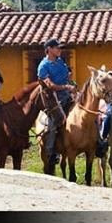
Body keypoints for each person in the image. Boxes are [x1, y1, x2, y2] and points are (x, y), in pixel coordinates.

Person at [37, 38, 75, 166]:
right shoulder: (43, 66)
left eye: (60, 48)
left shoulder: (60, 61)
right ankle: (51, 152)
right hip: (53, 99)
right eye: (57, 48)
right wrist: (65, 87)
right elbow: (50, 85)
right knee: (52, 125)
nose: (60, 50)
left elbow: (66, 76)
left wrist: (69, 81)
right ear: (49, 49)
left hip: (68, 94)